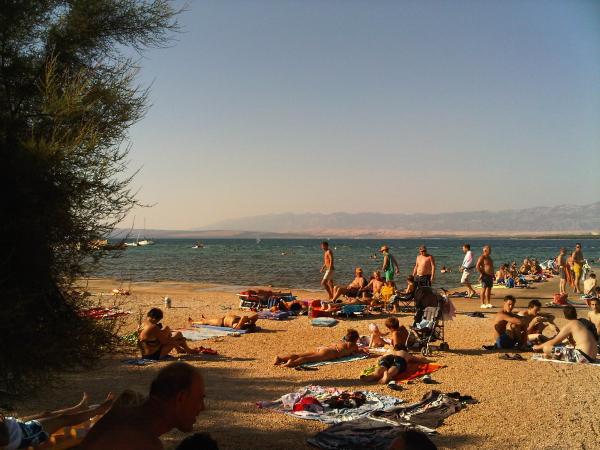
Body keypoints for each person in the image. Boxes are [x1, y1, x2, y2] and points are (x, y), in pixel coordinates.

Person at [81, 362, 206, 450]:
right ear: (180, 398)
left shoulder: (125, 412)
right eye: (200, 399)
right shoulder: (144, 443)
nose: (203, 407)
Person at [1, 393, 114, 450]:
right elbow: (5, 440)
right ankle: (99, 410)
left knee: (46, 414)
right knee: (62, 419)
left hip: (16, 426)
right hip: (24, 435)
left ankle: (79, 408)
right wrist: (2, 422)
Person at [533, 306, 598, 363]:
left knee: (546, 348)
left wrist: (537, 347)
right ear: (576, 314)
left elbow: (554, 341)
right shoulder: (582, 323)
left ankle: (553, 356)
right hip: (593, 358)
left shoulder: (571, 324)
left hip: (582, 357)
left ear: (565, 316)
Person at [273, 329, 366, 368]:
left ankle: (280, 358)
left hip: (324, 348)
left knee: (300, 354)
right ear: (355, 339)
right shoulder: (353, 345)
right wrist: (363, 350)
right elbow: (358, 352)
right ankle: (290, 363)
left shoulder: (341, 341)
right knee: (306, 359)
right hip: (329, 353)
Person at [360, 344, 431, 386]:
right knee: (395, 367)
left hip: (388, 357)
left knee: (382, 366)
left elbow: (380, 358)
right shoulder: (405, 353)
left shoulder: (391, 351)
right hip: (400, 359)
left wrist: (378, 362)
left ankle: (373, 376)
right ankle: (388, 375)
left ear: (395, 348)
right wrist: (426, 360)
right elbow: (420, 359)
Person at [191, 312, 259, 330]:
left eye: (248, 324)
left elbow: (237, 327)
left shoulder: (237, 326)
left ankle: (193, 322)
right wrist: (250, 319)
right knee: (207, 321)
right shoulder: (245, 323)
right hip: (224, 318)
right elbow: (256, 316)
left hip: (221, 322)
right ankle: (204, 319)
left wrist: (245, 319)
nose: (248, 323)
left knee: (205, 322)